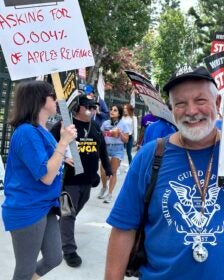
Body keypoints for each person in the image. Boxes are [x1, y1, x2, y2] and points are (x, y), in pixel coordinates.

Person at [104, 66, 224, 279]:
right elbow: (124, 228)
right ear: (171, 109)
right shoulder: (150, 156)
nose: (191, 111)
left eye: (200, 100)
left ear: (217, 104)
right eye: (180, 103)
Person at [1, 80, 77, 279]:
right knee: (25, 269)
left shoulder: (42, 130)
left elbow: (49, 161)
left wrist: (63, 155)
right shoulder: (26, 132)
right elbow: (46, 176)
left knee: (54, 257)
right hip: (27, 207)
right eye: (53, 95)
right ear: (42, 100)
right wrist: (63, 143)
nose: (56, 99)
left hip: (45, 205)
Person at [51, 95, 112, 268]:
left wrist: (108, 169)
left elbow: (103, 150)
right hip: (68, 180)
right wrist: (61, 157)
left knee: (73, 211)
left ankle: (60, 228)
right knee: (68, 213)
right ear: (78, 108)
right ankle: (69, 250)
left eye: (95, 107)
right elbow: (47, 145)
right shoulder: (66, 126)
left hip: (87, 181)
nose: (93, 109)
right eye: (89, 106)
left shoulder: (95, 127)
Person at [98, 104, 130, 203]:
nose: (112, 111)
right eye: (111, 109)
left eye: (115, 110)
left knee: (113, 172)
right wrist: (108, 133)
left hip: (117, 149)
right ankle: (104, 187)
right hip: (106, 148)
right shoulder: (105, 123)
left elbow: (126, 140)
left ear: (119, 113)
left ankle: (110, 194)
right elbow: (100, 135)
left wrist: (119, 134)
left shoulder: (123, 124)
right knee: (103, 171)